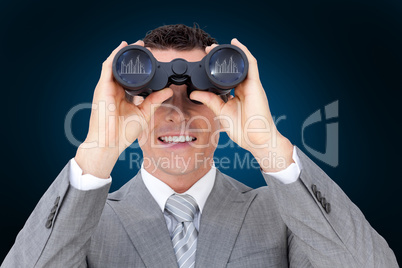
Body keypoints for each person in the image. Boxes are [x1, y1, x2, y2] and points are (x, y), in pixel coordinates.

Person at [1, 24, 398, 268]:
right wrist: (97, 154)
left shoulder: (281, 214)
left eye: (197, 94)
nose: (177, 113)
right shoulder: (85, 221)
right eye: (154, 95)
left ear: (224, 105)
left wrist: (268, 145)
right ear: (127, 102)